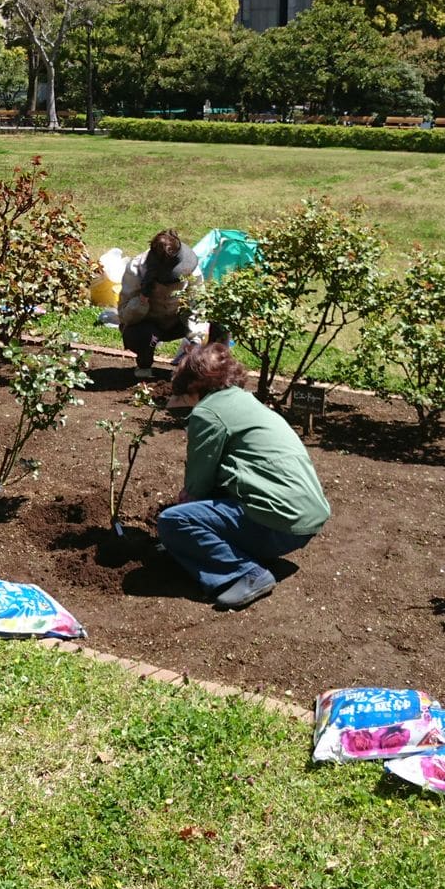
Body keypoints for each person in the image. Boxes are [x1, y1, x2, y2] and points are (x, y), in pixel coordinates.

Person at [156, 343, 330, 610]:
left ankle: (246, 572)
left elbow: (197, 486)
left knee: (173, 521)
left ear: (192, 387)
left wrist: (179, 536)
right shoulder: (247, 401)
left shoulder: (207, 413)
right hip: (304, 520)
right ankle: (245, 551)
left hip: (278, 524)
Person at [117, 229, 206, 380]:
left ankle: (204, 372)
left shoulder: (190, 269)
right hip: (148, 325)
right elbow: (125, 316)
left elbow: (197, 304)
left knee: (218, 325)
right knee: (144, 335)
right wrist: (142, 299)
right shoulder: (136, 269)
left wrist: (196, 339)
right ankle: (143, 368)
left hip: (178, 321)